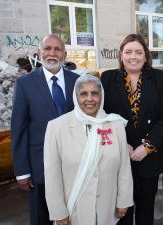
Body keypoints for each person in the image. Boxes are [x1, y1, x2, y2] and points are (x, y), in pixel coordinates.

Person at [101, 34, 163, 225]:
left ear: (146, 55)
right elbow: (100, 116)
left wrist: (148, 146)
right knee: (121, 212)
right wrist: (119, 143)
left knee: (145, 212)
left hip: (148, 158)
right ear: (121, 55)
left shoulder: (157, 77)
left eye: (139, 52)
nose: (133, 56)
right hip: (117, 157)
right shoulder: (107, 78)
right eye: (128, 52)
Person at [44, 75, 133, 225]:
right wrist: (58, 212)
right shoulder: (57, 127)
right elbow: (52, 175)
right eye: (83, 94)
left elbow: (124, 167)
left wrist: (123, 200)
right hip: (75, 210)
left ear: (101, 96)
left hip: (108, 209)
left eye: (95, 93)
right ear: (75, 96)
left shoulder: (115, 124)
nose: (90, 99)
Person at [11, 34, 79, 225]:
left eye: (57, 49)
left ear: (64, 54)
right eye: (47, 48)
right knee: (42, 218)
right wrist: (22, 170)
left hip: (73, 166)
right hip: (39, 168)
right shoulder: (25, 84)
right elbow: (19, 129)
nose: (52, 53)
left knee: (72, 216)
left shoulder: (77, 82)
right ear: (39, 53)